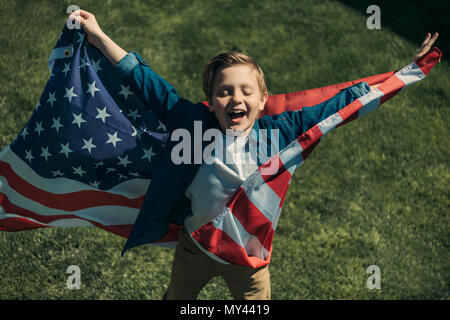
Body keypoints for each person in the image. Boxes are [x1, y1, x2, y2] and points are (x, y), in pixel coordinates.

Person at [69, 9, 438, 300]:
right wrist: (99, 36)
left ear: (263, 100)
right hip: (194, 250)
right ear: (210, 101)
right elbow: (146, 82)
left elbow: (344, 103)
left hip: (250, 264)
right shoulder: (193, 124)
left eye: (246, 90)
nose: (236, 98)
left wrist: (406, 73)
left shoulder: (282, 133)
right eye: (224, 91)